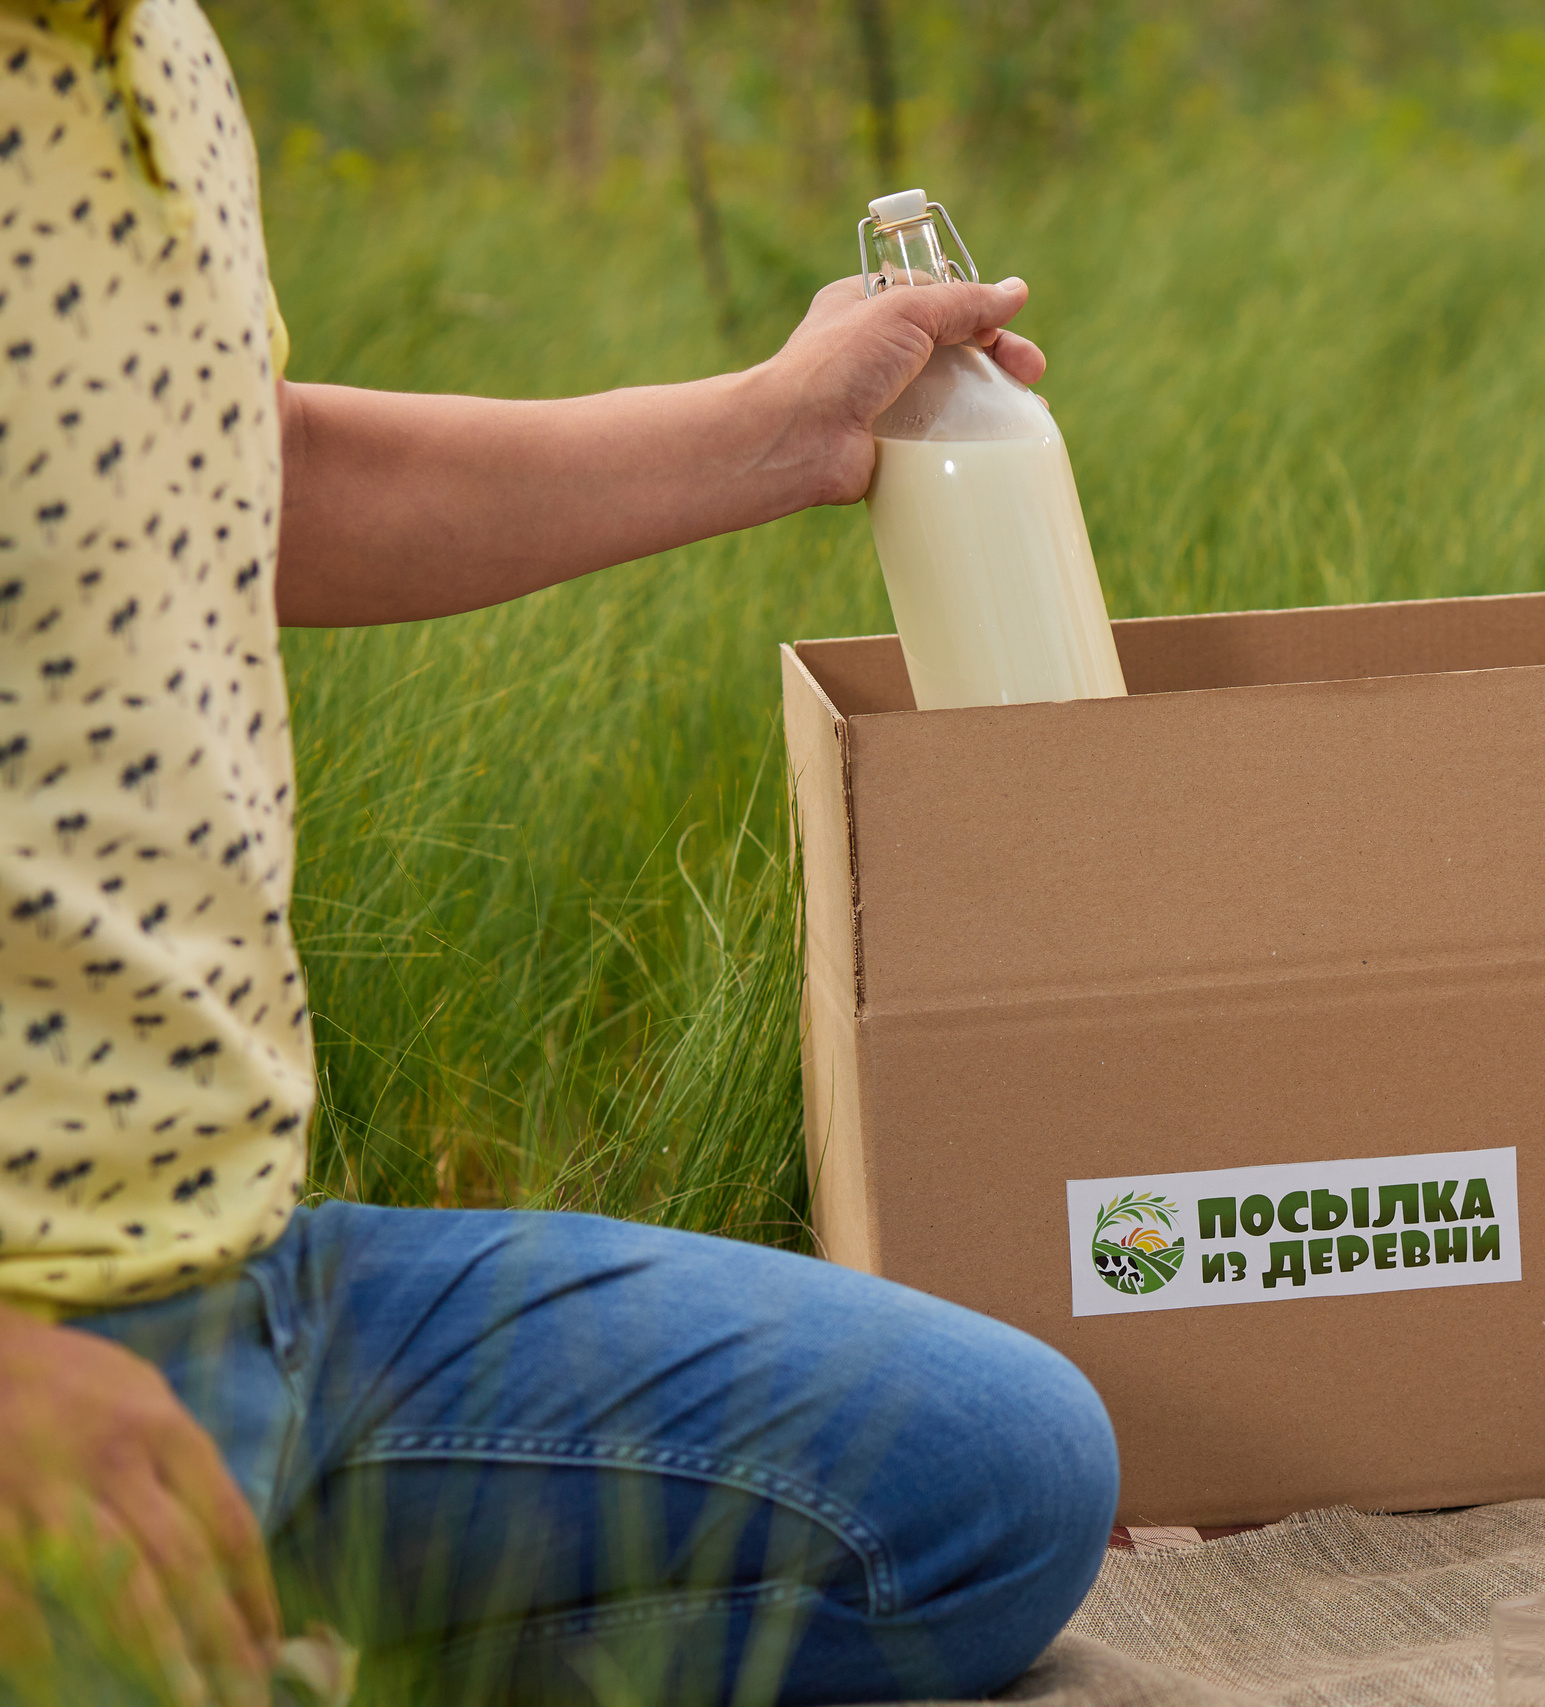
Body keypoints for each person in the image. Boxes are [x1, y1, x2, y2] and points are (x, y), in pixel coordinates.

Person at [0, 3, 1116, 1701]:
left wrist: (787, 425)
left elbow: (255, 468)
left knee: (992, 1485)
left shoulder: (141, 50)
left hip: (255, 1284)